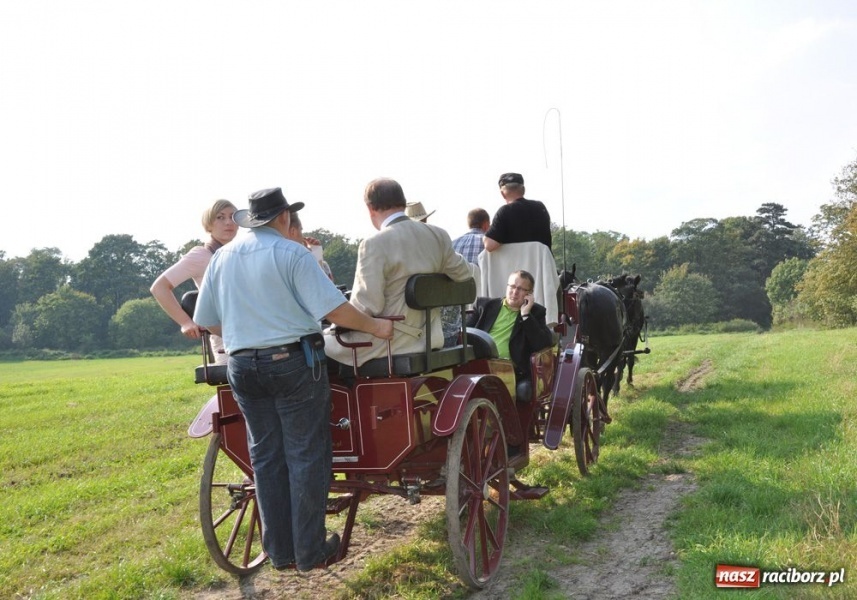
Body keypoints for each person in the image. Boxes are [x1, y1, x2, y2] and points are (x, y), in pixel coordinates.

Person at [194, 187, 393, 572]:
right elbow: (334, 309)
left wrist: (243, 330)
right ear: (284, 217)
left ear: (250, 220)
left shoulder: (223, 257)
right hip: (290, 361)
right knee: (305, 453)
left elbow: (206, 319)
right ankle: (310, 551)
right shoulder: (291, 252)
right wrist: (376, 326)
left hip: (241, 365)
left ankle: (280, 551)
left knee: (265, 457)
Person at [325, 178, 472, 366]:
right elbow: (464, 274)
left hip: (387, 343)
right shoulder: (438, 235)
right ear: (403, 203)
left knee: (315, 346)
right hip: (429, 338)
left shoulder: (374, 244)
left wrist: (334, 326)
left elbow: (367, 305)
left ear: (370, 209)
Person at [150, 199, 237, 364]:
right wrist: (185, 322)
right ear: (209, 224)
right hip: (225, 342)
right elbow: (159, 287)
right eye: (220, 217)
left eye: (233, 217)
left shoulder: (242, 252)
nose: (228, 222)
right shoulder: (200, 255)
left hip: (253, 337)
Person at [466, 270, 554, 401]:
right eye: (512, 286)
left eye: (521, 289)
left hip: (513, 372)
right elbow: (465, 333)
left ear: (529, 294)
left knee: (523, 392)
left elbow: (542, 344)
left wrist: (525, 315)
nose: (515, 292)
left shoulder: (536, 313)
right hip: (479, 365)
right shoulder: (484, 306)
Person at [483, 173, 552, 252]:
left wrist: (485, 236)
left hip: (516, 264)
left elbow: (489, 245)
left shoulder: (505, 212)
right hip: (542, 263)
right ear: (523, 190)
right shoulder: (541, 207)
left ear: (502, 194)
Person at [287, 211, 334, 281]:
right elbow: (323, 286)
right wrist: (314, 257)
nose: (302, 236)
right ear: (293, 231)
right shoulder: (299, 261)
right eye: (300, 230)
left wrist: (316, 255)